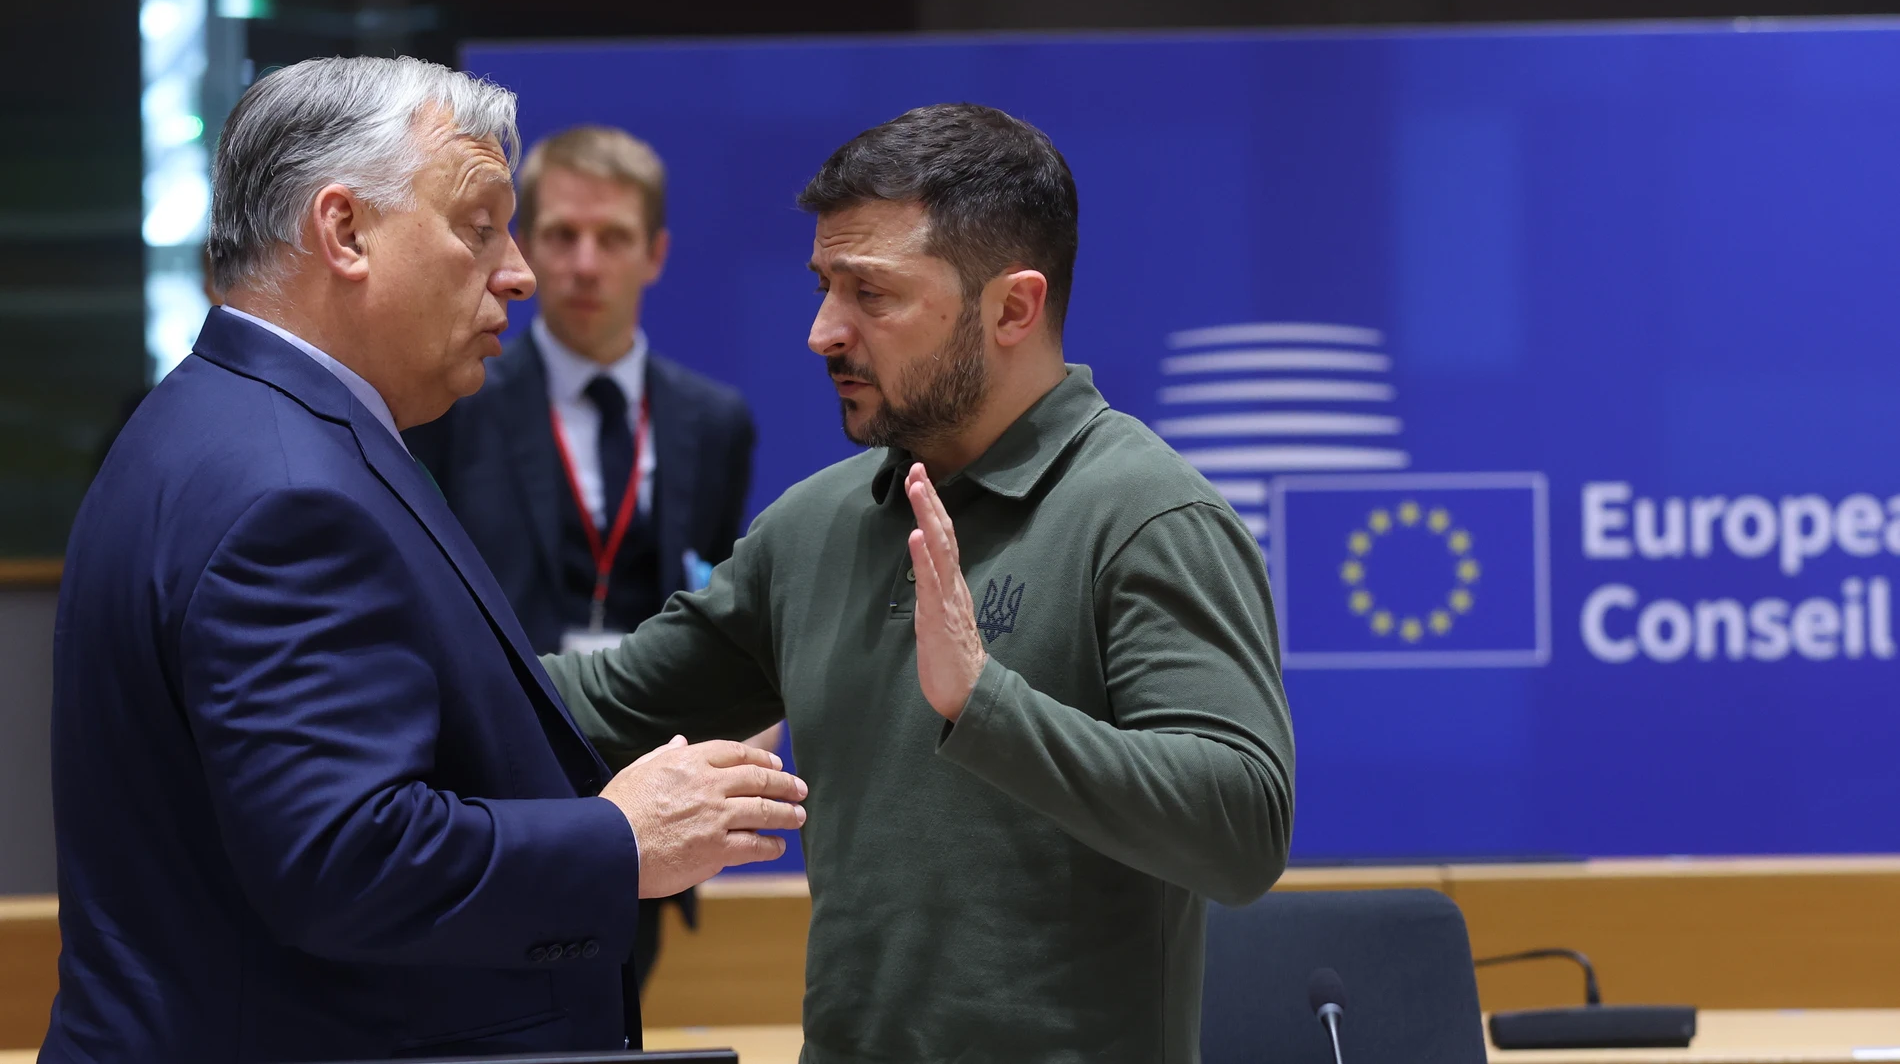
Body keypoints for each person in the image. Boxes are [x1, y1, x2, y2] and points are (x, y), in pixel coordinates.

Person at [43, 56, 804, 1064]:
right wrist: (621, 838)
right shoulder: (290, 491)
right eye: (479, 225)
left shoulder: (222, 420)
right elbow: (344, 857)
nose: (518, 273)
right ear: (345, 231)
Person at [545, 103, 1295, 1063]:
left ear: (1013, 308)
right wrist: (396, 646)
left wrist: (986, 702)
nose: (823, 331)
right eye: (825, 286)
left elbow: (1243, 828)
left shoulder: (1148, 516)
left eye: (871, 293)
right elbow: (592, 708)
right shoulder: (813, 526)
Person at [405, 125, 765, 1004]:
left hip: (647, 780)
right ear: (526, 246)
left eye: (613, 237)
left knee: (618, 1015)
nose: (584, 263)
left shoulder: (713, 421)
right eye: (561, 235)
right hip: (495, 789)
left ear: (656, 254)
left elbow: (715, 600)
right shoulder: (456, 401)